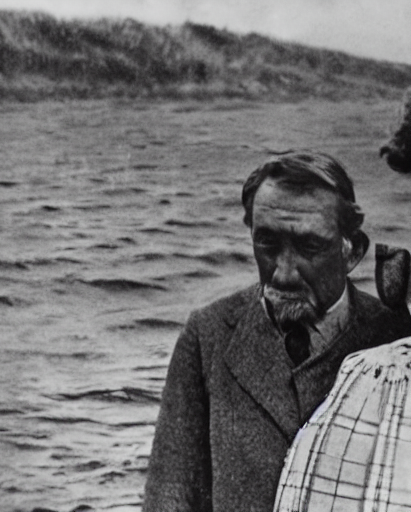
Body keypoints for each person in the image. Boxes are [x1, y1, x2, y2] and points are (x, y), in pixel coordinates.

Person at [142, 151, 411, 512]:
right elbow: (169, 498)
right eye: (267, 243)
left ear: (352, 252)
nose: (283, 273)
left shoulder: (395, 337)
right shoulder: (208, 334)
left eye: (309, 246)